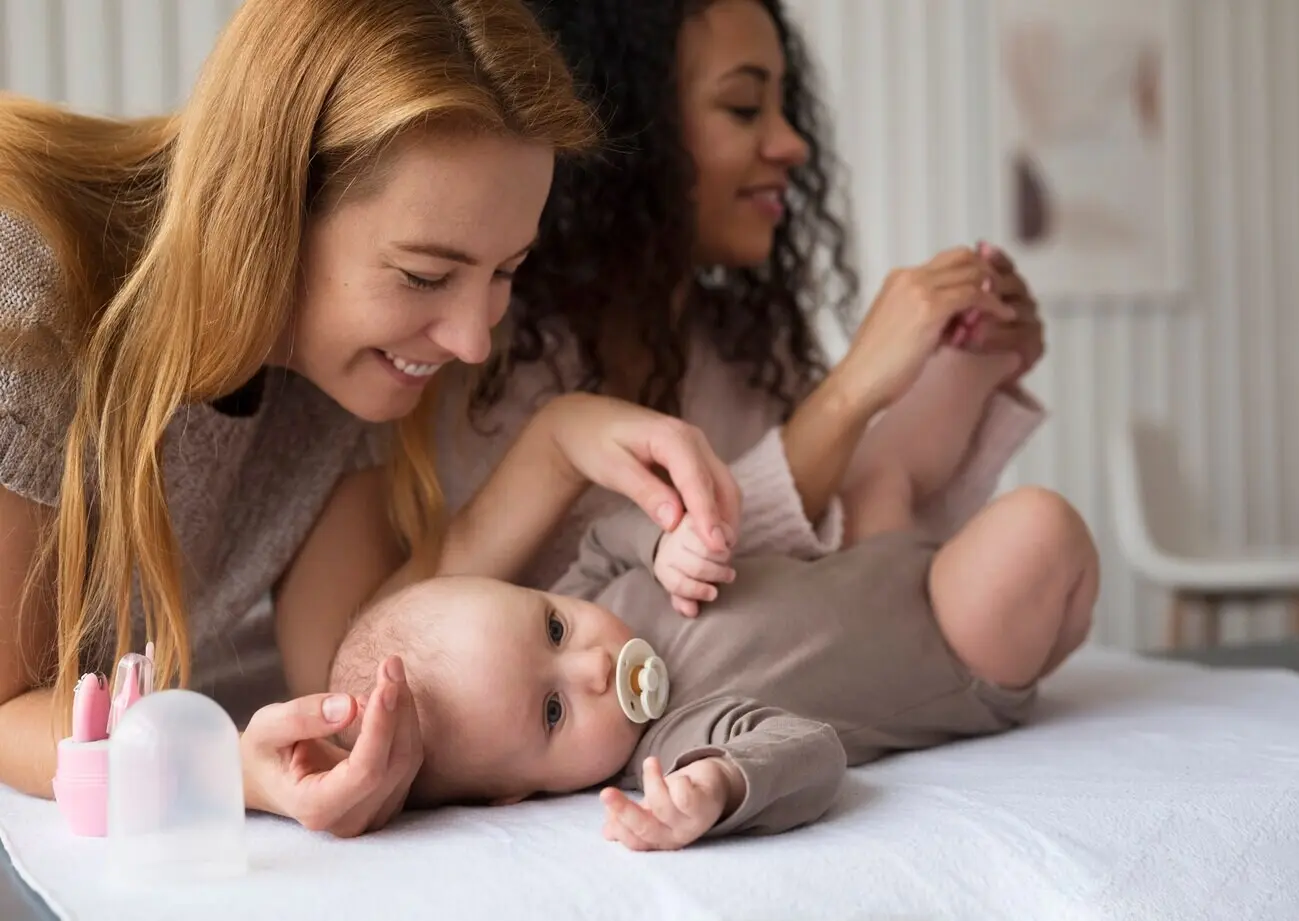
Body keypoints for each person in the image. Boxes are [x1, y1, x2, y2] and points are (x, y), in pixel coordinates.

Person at [0, 0, 739, 840]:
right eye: (425, 276)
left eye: (506, 270)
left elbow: (354, 665)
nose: (471, 340)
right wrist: (218, 766)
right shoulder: (23, 287)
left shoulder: (339, 368)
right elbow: (4, 709)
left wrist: (558, 444)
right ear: (271, 209)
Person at [331, 324, 1098, 846]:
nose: (592, 664)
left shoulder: (591, 591)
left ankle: (981, 351)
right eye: (554, 710)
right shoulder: (675, 743)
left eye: (553, 628)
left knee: (881, 470)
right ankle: (1051, 625)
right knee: (1039, 524)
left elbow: (605, 535)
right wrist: (723, 787)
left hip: (869, 561)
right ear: (520, 792)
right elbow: (810, 751)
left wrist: (662, 541)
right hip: (944, 638)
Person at [435, 0, 1050, 610]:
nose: (792, 145)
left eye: (786, 108)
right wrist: (849, 393)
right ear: (629, 127)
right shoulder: (483, 356)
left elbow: (853, 559)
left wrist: (970, 369)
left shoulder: (749, 349)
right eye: (744, 107)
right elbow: (589, 606)